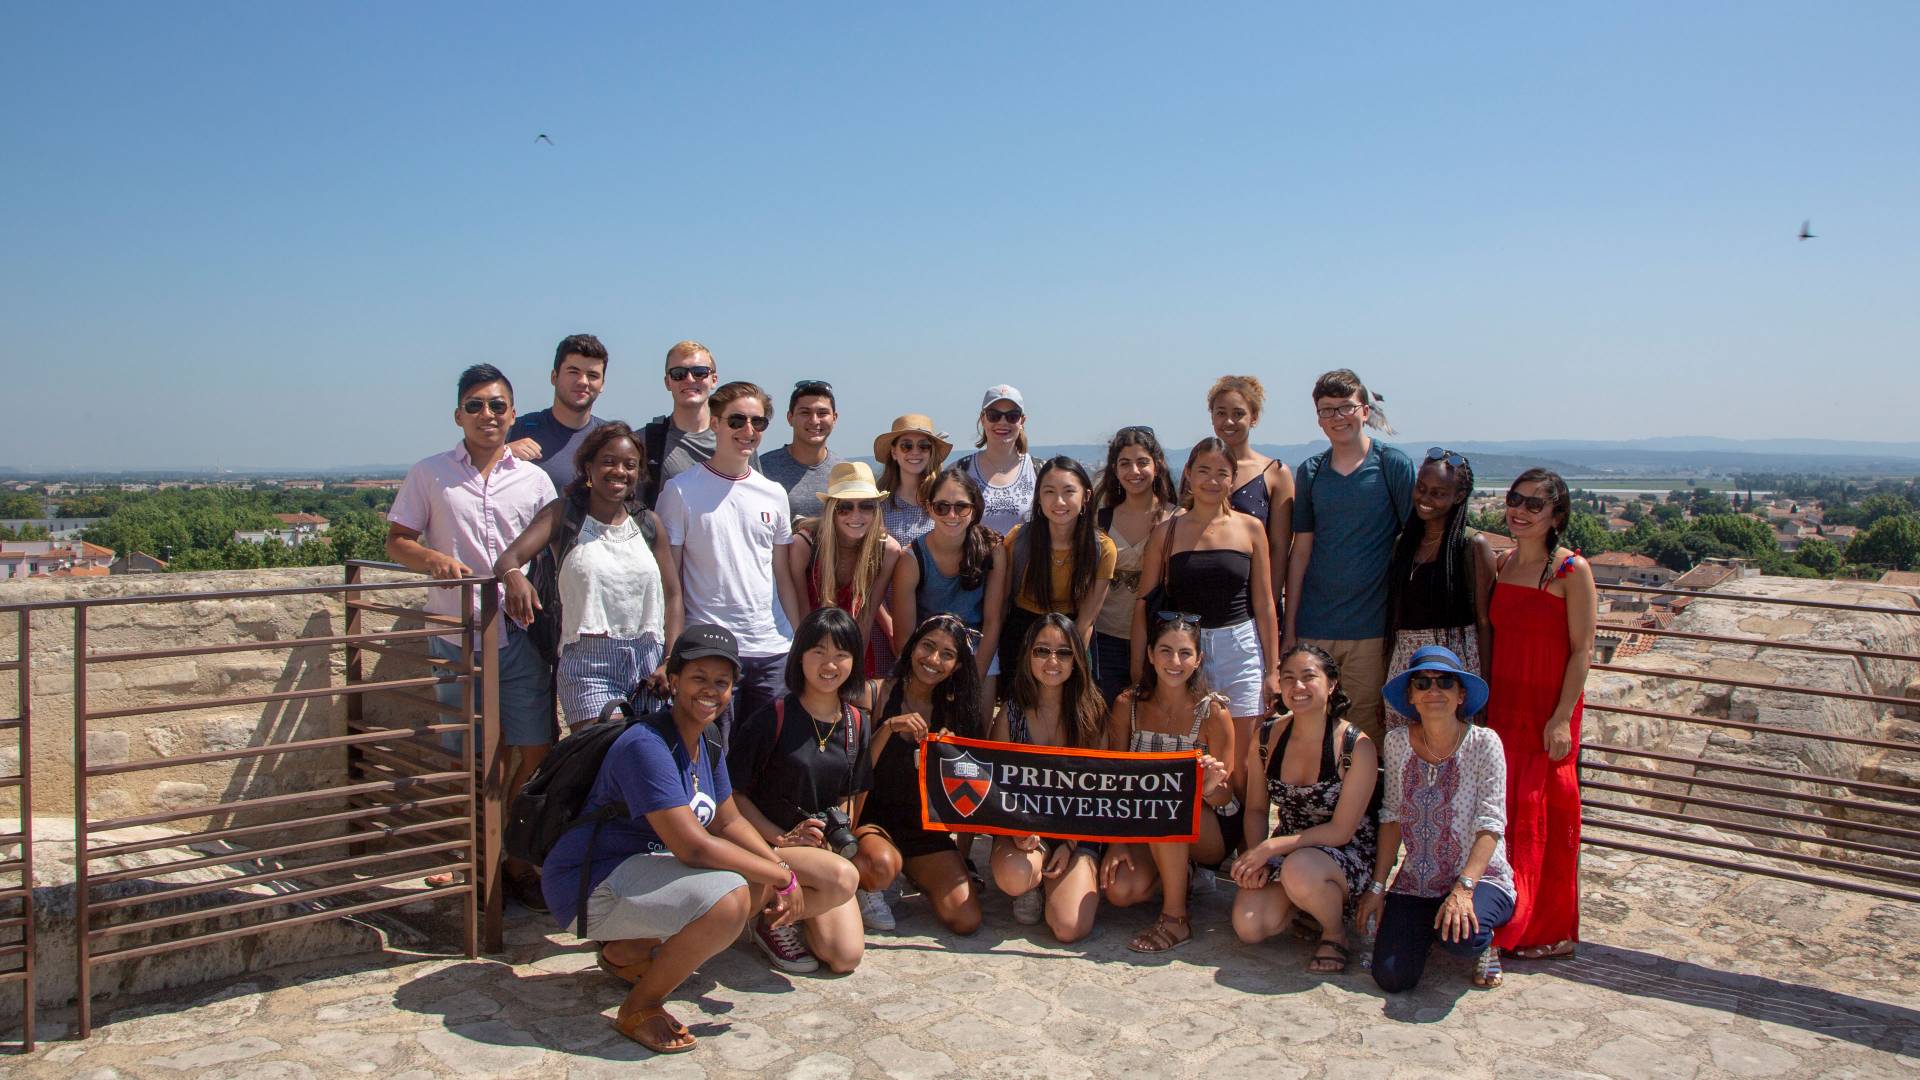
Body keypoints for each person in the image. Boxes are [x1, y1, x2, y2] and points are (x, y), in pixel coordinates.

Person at [537, 625, 836, 1054]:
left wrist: (777, 868)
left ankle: (628, 952)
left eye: (722, 682)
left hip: (642, 871)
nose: (710, 690)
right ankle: (640, 1007)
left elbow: (728, 822)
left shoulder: (706, 738)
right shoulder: (647, 745)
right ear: (674, 681)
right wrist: (782, 876)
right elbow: (693, 847)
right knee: (730, 897)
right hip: (589, 885)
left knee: (753, 882)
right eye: (699, 678)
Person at [386, 363, 558, 909]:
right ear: (458, 414)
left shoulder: (534, 480)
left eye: (498, 405)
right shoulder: (430, 473)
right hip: (457, 634)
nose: (488, 414)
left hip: (520, 633)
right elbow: (397, 539)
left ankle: (511, 852)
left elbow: (548, 548)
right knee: (468, 753)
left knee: (533, 747)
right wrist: (433, 559)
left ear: (513, 413)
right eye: (476, 405)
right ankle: (473, 857)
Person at [1132, 437, 1281, 846]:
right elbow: (1144, 603)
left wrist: (1273, 670)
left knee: (1243, 761)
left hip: (1240, 648)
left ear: (1233, 479)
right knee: (1196, 748)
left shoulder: (1251, 528)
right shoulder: (1167, 531)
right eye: (1204, 471)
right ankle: (1202, 844)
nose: (1212, 481)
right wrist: (1138, 666)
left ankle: (1244, 850)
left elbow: (1265, 603)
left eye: (1222, 473)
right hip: (1183, 651)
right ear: (1188, 474)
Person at [495, 422, 683, 730]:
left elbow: (673, 595)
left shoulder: (649, 524)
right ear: (588, 468)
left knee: (645, 753)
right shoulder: (565, 515)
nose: (619, 471)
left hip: (649, 663)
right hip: (589, 663)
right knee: (604, 747)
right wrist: (514, 576)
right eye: (608, 461)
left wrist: (670, 660)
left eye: (629, 465)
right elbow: (507, 559)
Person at [654, 381, 801, 747]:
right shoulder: (680, 491)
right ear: (715, 423)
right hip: (711, 650)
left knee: (766, 759)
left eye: (758, 422)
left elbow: (782, 575)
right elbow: (671, 584)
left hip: (772, 650)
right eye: (737, 420)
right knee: (711, 753)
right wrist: (671, 653)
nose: (748, 430)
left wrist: (799, 639)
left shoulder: (774, 493)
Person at [725, 608, 871, 975]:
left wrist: (833, 837)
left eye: (841, 654)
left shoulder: (857, 723)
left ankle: (780, 913)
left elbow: (850, 796)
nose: (829, 664)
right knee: (844, 878)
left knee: (844, 956)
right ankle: (772, 921)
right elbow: (734, 795)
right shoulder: (771, 717)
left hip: (818, 852)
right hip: (768, 846)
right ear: (800, 655)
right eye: (818, 651)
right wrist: (781, 837)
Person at [1361, 645, 1513, 992]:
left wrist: (1464, 888)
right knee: (1392, 977)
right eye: (1422, 683)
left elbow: (1491, 823)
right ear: (1411, 696)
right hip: (1419, 879)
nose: (1434, 690)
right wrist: (1378, 887)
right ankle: (1429, 928)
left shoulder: (1485, 743)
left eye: (1445, 682)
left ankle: (1486, 942)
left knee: (1465, 939)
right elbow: (1392, 816)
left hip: (1478, 878)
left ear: (1461, 695)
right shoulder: (1397, 743)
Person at [1488, 468, 1595, 961]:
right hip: (1504, 706)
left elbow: (1582, 651)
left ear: (1556, 515)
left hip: (1547, 710)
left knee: (1545, 815)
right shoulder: (1503, 563)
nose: (1521, 511)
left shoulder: (1572, 570)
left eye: (1535, 504)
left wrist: (1562, 718)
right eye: (1516, 499)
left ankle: (1546, 929)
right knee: (1506, 812)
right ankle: (1505, 915)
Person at [1229, 644, 1380, 975]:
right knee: (1250, 925)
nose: (1297, 687)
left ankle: (1334, 933)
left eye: (1308, 677)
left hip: (1346, 850)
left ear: (1331, 684)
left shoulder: (1356, 746)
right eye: (1288, 678)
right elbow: (1256, 809)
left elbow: (1341, 831)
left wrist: (1271, 848)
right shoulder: (1266, 738)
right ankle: (1308, 906)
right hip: (1288, 849)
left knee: (1299, 869)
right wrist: (1257, 855)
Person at [1285, 369, 1414, 743]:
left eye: (1345, 408)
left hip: (1370, 628)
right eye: (1327, 410)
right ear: (1318, 418)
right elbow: (1301, 551)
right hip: (1314, 625)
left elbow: (1413, 541)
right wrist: (1290, 629)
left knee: (1363, 732)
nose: (1337, 417)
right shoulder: (1311, 472)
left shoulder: (1392, 465)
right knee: (1309, 726)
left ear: (1365, 411)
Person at [1098, 615, 1234, 953]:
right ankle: (1178, 876)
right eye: (1166, 651)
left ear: (1199, 659)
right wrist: (1116, 842)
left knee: (1169, 803)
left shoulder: (1214, 713)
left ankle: (1176, 919)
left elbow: (1227, 798)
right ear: (1150, 654)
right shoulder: (1128, 705)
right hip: (1143, 825)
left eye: (1185, 653)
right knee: (1120, 890)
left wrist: (1211, 786)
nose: (1175, 662)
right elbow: (1116, 780)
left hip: (1205, 827)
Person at [854, 613, 987, 934]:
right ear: (912, 647)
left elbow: (973, 796)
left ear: (957, 666)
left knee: (966, 919)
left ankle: (910, 873)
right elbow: (853, 773)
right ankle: (871, 881)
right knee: (882, 866)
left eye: (947, 654)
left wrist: (952, 756)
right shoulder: (874, 693)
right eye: (927, 646)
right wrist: (888, 728)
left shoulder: (956, 712)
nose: (933, 659)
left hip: (924, 830)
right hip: (873, 821)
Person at [988, 615, 1108, 941]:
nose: (1052, 661)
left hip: (1077, 830)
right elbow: (996, 786)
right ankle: (1033, 882)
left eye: (1064, 652)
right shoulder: (1010, 714)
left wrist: (1070, 843)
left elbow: (1101, 791)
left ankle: (1063, 878)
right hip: (1024, 830)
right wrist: (1016, 832)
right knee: (1015, 877)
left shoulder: (1094, 712)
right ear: (1028, 655)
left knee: (1070, 928)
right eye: (1042, 651)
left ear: (1077, 659)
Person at [1383, 448, 1495, 728]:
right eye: (1421, 488)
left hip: (1455, 670)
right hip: (1406, 667)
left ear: (1458, 496)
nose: (1425, 499)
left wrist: (1484, 692)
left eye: (1438, 493)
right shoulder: (1404, 544)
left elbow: (1484, 623)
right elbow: (1395, 619)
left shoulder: (1472, 546)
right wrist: (1385, 682)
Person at [995, 457, 1115, 684]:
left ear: (1086, 496)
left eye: (1069, 491)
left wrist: (1067, 661)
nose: (1059, 501)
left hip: (1072, 636)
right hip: (1021, 635)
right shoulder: (1020, 540)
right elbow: (1001, 605)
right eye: (1049, 492)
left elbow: (1086, 620)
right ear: (1039, 497)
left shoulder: (1101, 548)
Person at [890, 465, 1007, 687]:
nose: (951, 515)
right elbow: (903, 640)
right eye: (942, 507)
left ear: (974, 509)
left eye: (961, 507)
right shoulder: (912, 560)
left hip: (976, 650)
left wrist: (973, 682)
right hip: (926, 654)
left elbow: (993, 620)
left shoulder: (992, 550)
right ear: (929, 508)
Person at [788, 461, 904, 675]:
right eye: (845, 507)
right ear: (831, 510)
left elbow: (866, 616)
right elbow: (801, 615)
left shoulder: (887, 550)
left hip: (854, 647)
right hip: (808, 647)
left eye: (866, 506)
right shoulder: (804, 545)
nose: (855, 515)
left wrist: (852, 669)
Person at [1091, 426, 1176, 704]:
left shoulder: (1176, 519)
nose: (1134, 471)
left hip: (1159, 639)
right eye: (1125, 463)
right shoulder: (1100, 519)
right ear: (1114, 469)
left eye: (1142, 462)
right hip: (1105, 637)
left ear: (1157, 466)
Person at [1207, 376, 1294, 617]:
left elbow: (1279, 547)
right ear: (1212, 416)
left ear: (1253, 417)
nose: (1229, 421)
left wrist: (1268, 606)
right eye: (1221, 413)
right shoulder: (1196, 472)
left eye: (1238, 414)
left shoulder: (1275, 473)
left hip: (1254, 599)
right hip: (1202, 596)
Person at [638, 341, 761, 506]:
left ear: (714, 380)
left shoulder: (739, 438)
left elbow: (756, 498)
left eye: (699, 372)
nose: (689, 379)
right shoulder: (645, 442)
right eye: (678, 373)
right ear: (668, 382)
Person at [506, 333, 611, 491]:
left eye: (592, 375)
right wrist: (503, 454)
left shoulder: (610, 439)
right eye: (573, 372)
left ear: (602, 384)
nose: (583, 381)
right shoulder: (517, 430)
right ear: (554, 377)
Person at [956, 385, 1036, 536]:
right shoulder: (960, 470)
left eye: (1012, 416)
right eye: (994, 415)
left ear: (1022, 421)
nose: (1002, 422)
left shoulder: (1039, 470)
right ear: (983, 419)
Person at [760, 379, 845, 521]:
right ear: (790, 418)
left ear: (834, 418)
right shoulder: (764, 468)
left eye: (822, 413)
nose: (814, 420)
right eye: (805, 413)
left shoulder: (845, 472)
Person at [874, 414, 952, 546]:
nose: (915, 452)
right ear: (894, 452)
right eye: (907, 446)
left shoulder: (944, 502)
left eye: (924, 446)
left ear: (931, 452)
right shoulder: (877, 504)